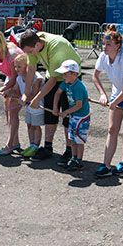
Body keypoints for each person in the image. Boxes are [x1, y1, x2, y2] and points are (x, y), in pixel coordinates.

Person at [19, 30, 82, 163]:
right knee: (50, 113)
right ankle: (48, 147)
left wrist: (35, 98)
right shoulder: (34, 44)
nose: (29, 55)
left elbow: (54, 80)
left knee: (66, 115)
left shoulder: (56, 47)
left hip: (70, 78)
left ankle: (69, 150)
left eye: (29, 52)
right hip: (53, 75)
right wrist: (26, 93)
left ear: (37, 45)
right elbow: (31, 68)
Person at [92, 28, 123, 177]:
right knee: (112, 129)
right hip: (118, 94)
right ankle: (105, 165)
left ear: (118, 45)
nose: (104, 47)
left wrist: (115, 102)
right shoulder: (103, 57)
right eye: (104, 43)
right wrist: (103, 94)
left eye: (108, 44)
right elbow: (95, 76)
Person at [53, 59, 91, 171]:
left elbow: (79, 105)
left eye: (65, 74)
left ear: (74, 74)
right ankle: (73, 158)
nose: (63, 76)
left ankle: (79, 160)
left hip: (81, 117)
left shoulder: (78, 87)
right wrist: (55, 107)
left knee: (79, 140)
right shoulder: (66, 83)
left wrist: (66, 112)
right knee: (72, 138)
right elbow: (57, 93)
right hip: (74, 115)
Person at [13, 53, 44, 158]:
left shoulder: (36, 77)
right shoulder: (19, 78)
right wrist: (9, 93)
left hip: (37, 106)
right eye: (15, 66)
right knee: (29, 125)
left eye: (19, 66)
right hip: (28, 106)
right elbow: (16, 90)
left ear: (27, 66)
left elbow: (34, 94)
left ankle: (35, 146)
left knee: (35, 126)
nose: (16, 69)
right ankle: (31, 145)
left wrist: (24, 99)